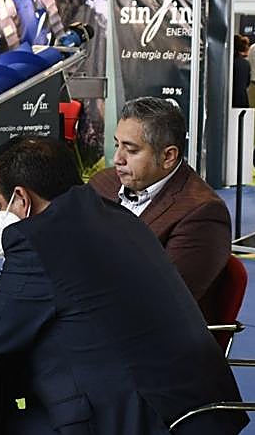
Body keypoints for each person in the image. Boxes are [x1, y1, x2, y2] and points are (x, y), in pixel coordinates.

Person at [0, 137, 247, 435]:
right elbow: (74, 300)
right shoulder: (114, 215)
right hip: (197, 420)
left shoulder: (36, 238)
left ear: (22, 199)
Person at [88, 97, 231, 310]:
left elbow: (160, 301)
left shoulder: (203, 214)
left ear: (168, 157)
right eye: (117, 145)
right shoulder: (103, 182)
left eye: (131, 150)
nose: (117, 158)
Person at [231, 34, 250, 109]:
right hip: (242, 100)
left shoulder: (228, 63)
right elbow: (247, 83)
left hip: (231, 100)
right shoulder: (245, 63)